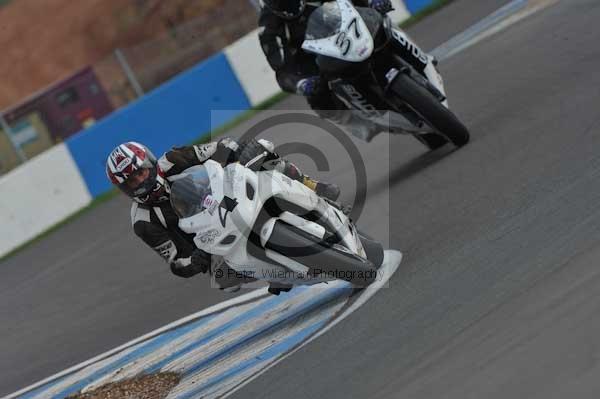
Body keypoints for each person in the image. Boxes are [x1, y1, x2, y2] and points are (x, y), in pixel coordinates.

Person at [106, 138, 341, 291]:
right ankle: (273, 273)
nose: (140, 181)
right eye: (131, 182)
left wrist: (235, 153)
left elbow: (220, 147)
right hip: (212, 244)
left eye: (140, 172)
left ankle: (311, 187)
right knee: (222, 281)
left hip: (230, 198)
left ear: (150, 163)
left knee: (262, 148)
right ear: (124, 189)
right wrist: (195, 260)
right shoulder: (142, 221)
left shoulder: (174, 159)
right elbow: (175, 261)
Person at [259, 0, 431, 142]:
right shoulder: (268, 27)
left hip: (351, 31)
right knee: (318, 99)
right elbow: (281, 68)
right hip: (318, 60)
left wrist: (373, 2)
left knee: (382, 21)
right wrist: (302, 83)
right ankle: (363, 125)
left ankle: (420, 58)